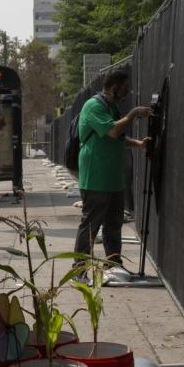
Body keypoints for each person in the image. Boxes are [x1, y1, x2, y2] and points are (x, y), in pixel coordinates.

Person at [73, 69, 150, 273]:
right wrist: (133, 114)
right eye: (124, 89)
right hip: (96, 177)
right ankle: (79, 269)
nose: (126, 94)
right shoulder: (93, 106)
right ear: (113, 87)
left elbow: (119, 138)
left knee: (114, 225)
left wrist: (139, 144)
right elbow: (113, 130)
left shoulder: (111, 108)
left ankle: (114, 266)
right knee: (91, 225)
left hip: (113, 179)